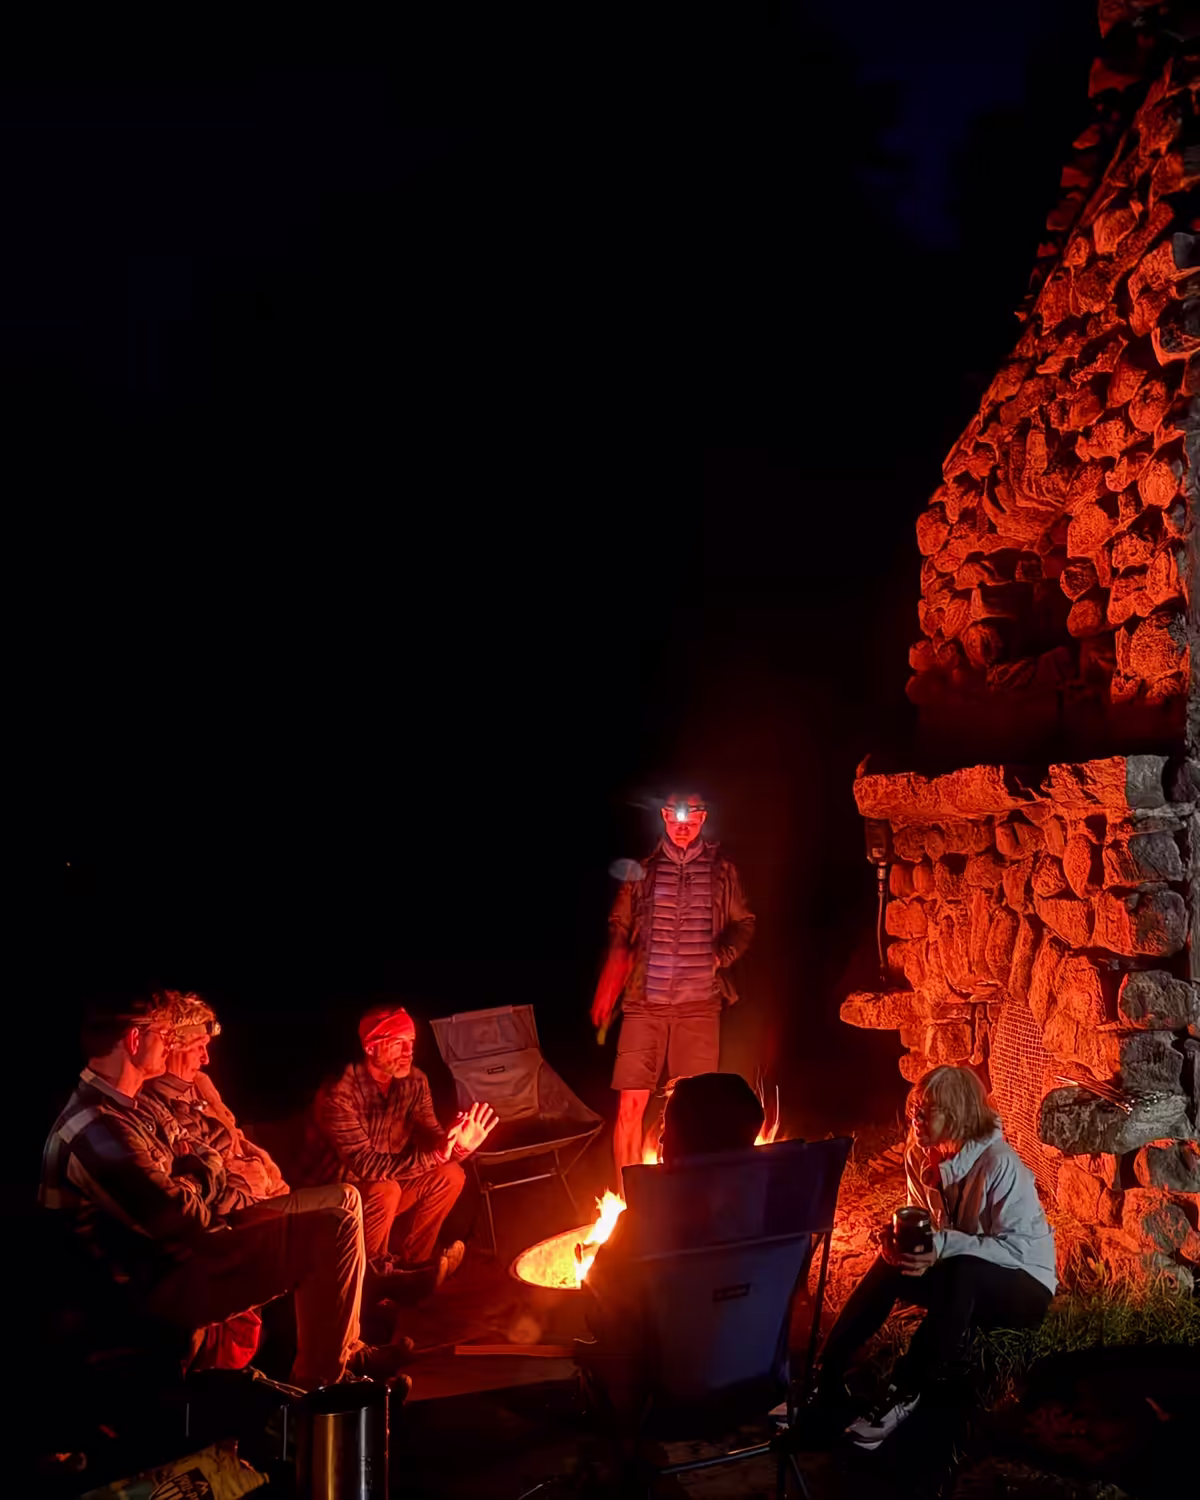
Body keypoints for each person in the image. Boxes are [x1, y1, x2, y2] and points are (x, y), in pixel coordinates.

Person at [39, 993, 411, 1393]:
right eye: (164, 1034)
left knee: (343, 1203)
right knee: (330, 1229)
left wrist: (196, 1178)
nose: (170, 1042)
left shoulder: (126, 1107)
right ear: (134, 1040)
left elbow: (201, 1158)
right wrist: (202, 1181)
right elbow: (184, 1217)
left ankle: (343, 1358)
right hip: (158, 1284)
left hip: (188, 1250)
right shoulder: (96, 1127)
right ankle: (324, 1392)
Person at [815, 1065, 1057, 1449]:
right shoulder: (919, 1154)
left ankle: (906, 1392)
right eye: (914, 1108)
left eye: (926, 1112)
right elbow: (924, 1219)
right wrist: (900, 1239)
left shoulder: (1000, 1164)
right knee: (893, 1261)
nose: (915, 1118)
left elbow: (1013, 1251)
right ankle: (826, 1380)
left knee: (965, 1269)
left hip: (1024, 1285)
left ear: (957, 1115)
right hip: (964, 1273)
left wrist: (942, 1245)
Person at [579, 1073, 766, 1437]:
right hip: (756, 1383)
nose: (661, 1138)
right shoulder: (778, 1214)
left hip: (666, 1400)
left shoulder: (643, 1222)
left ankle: (628, 1445)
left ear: (685, 1143)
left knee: (603, 1344)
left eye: (669, 1128)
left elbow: (597, 1306)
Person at [590, 792, 755, 1173]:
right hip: (644, 1006)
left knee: (694, 1112)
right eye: (676, 818)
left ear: (703, 818)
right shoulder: (642, 872)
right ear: (664, 816)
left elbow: (744, 922)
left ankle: (689, 1193)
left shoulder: (723, 871)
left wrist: (721, 956)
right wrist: (611, 977)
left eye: (692, 819)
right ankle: (632, 1196)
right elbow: (620, 927)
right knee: (630, 1106)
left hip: (698, 1008)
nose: (683, 827)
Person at [135, 990, 290, 1371]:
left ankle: (352, 1346)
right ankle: (318, 1374)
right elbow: (202, 1176)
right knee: (329, 1222)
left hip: (257, 1195)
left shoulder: (201, 1085)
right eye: (199, 1047)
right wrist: (249, 1187)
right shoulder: (150, 1102)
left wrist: (268, 1173)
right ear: (172, 1045)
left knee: (340, 1207)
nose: (206, 1058)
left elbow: (236, 1141)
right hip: (231, 1212)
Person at [313, 1003, 498, 1288]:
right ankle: (374, 1279)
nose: (408, 1051)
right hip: (338, 1200)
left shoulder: (414, 1083)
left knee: (451, 1174)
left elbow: (435, 1142)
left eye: (411, 1041)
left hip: (388, 1190)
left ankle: (414, 1267)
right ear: (371, 1047)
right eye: (397, 1042)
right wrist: (437, 1155)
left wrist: (459, 1147)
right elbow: (366, 1166)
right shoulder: (340, 1093)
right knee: (386, 1189)